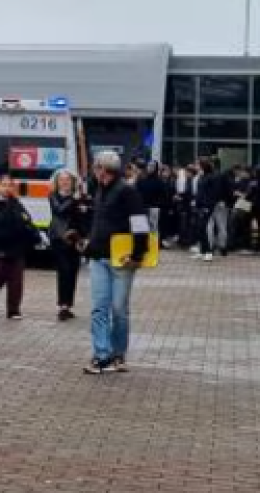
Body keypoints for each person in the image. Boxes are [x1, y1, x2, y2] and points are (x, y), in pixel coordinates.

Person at [82, 150, 151, 375]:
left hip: (122, 259)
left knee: (119, 309)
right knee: (99, 308)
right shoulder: (100, 190)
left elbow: (140, 223)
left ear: (103, 169)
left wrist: (137, 254)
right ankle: (102, 355)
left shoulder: (126, 191)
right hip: (99, 257)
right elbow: (98, 222)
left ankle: (118, 353)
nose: (93, 171)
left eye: (95, 167)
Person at [0, 174, 37, 320]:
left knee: (16, 281)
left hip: (15, 249)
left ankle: (13, 310)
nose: (7, 188)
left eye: (9, 185)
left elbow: (27, 221)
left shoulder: (17, 204)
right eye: (4, 185)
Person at [49, 170, 90, 321]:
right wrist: (74, 199)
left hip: (74, 239)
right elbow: (59, 210)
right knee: (64, 271)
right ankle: (62, 306)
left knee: (73, 271)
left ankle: (68, 304)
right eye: (61, 180)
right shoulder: (53, 196)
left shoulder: (78, 198)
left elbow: (84, 217)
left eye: (67, 180)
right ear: (57, 182)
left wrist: (85, 236)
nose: (65, 182)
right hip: (59, 239)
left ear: (72, 182)